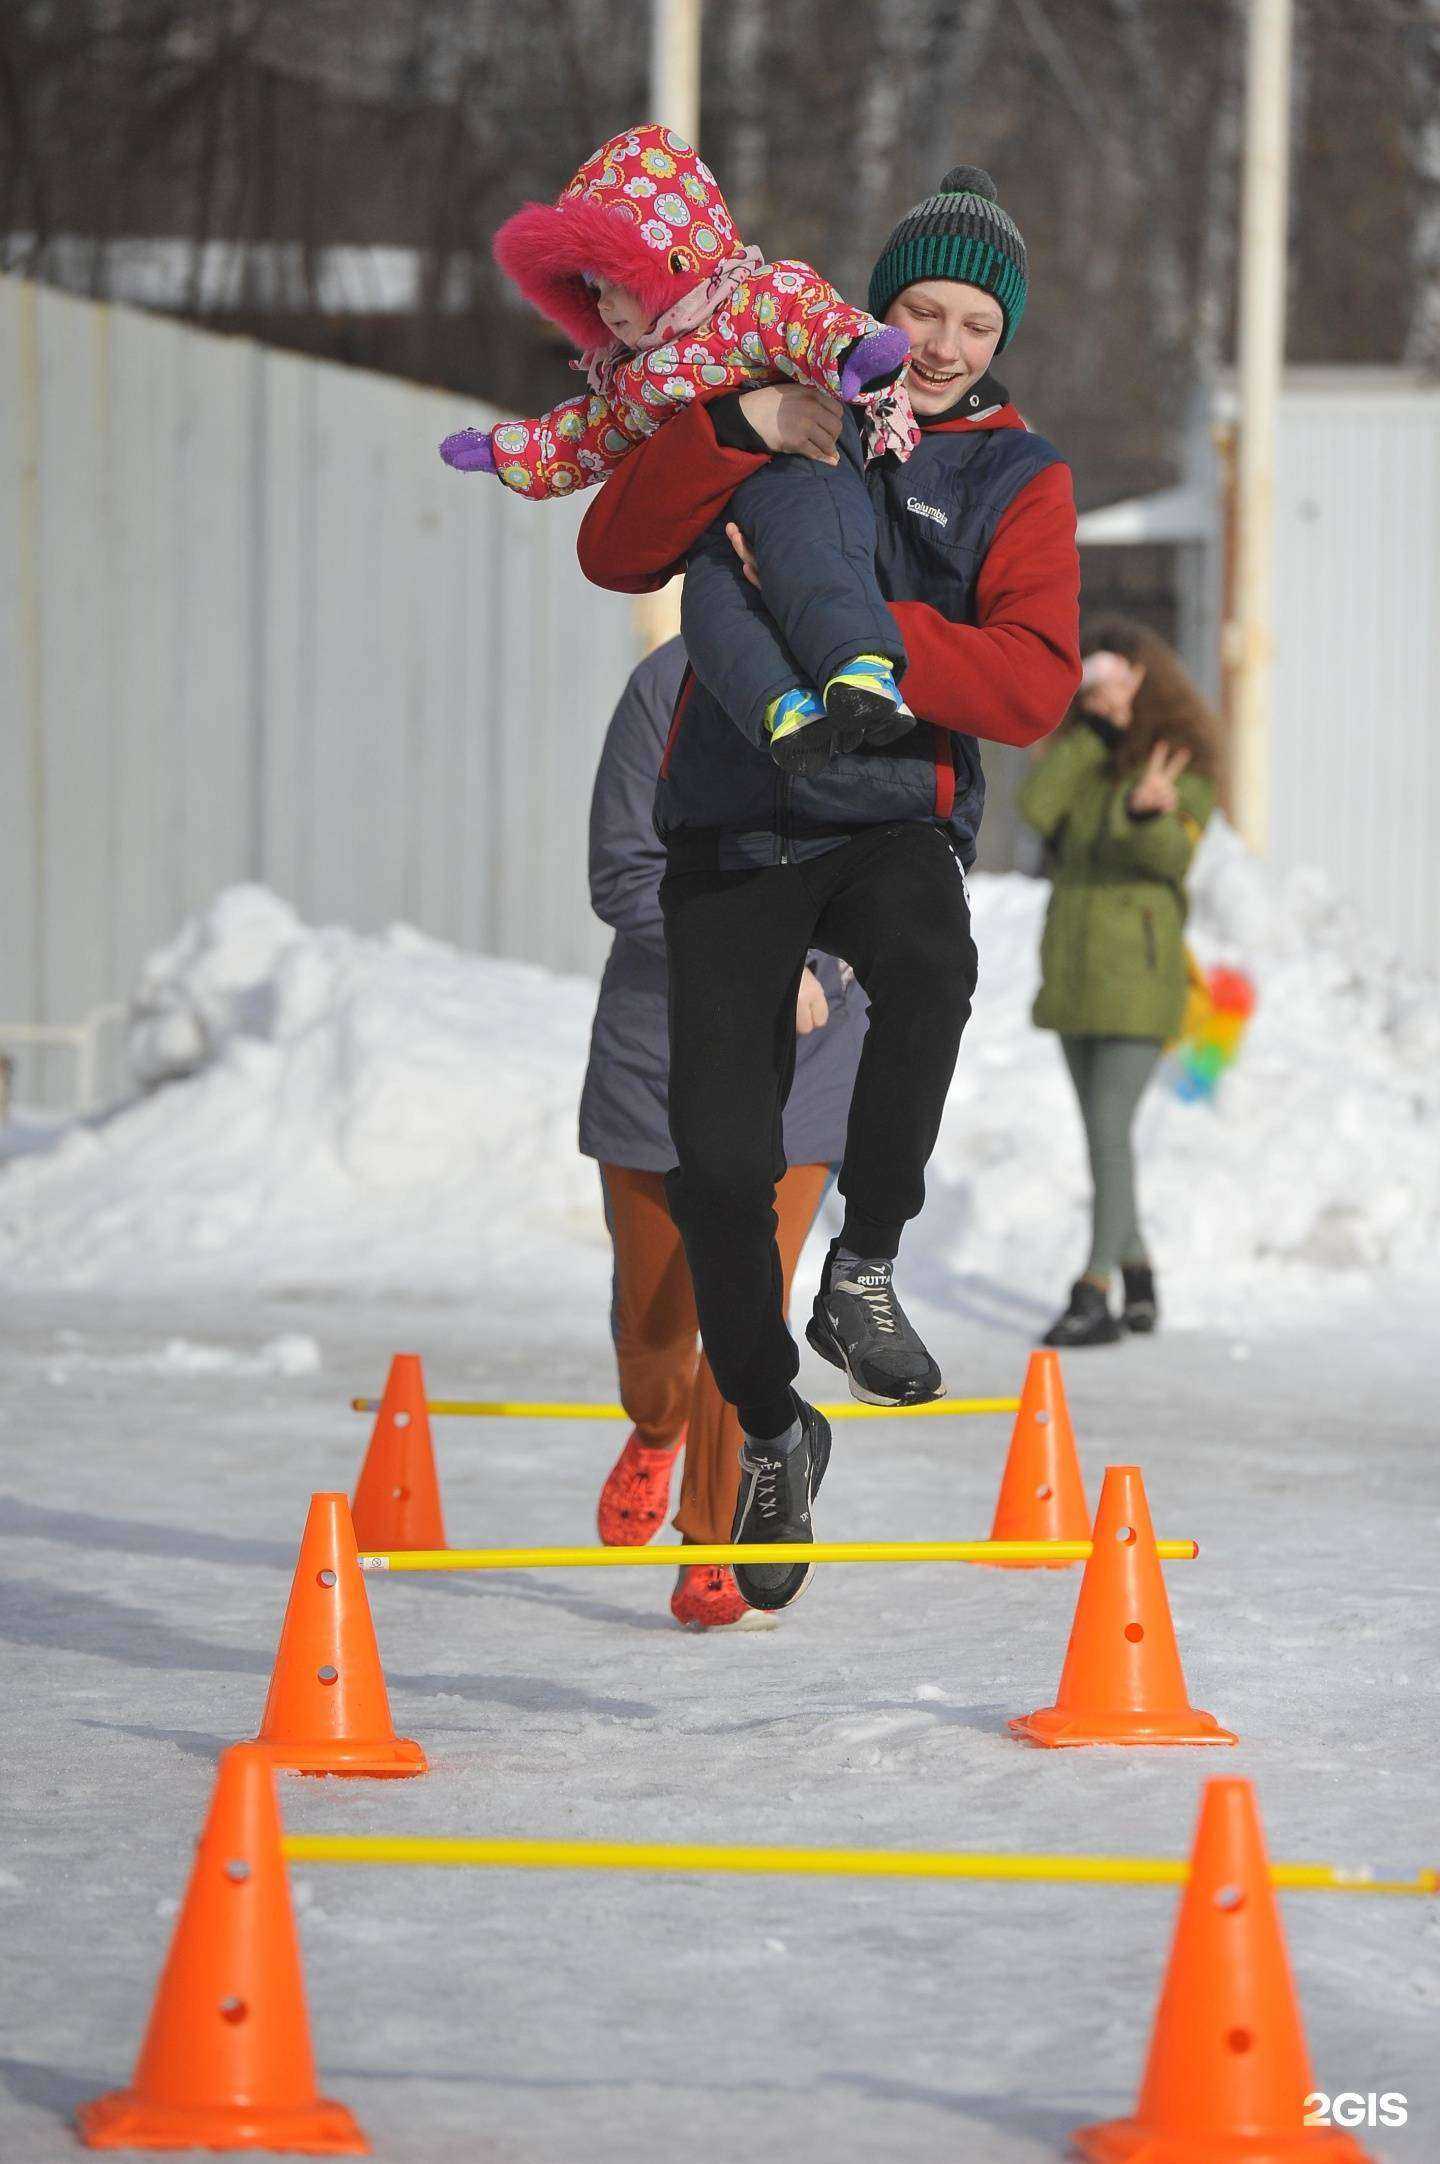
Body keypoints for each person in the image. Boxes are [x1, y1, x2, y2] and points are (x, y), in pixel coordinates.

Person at [576, 168, 1081, 1612]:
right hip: (734, 826)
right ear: (877, 304)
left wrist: (850, 625)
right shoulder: (793, 397)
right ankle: (773, 1425)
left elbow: (1031, 684)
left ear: (1003, 336)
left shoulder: (1015, 476)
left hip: (888, 814)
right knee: (717, 1170)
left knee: (932, 958)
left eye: (976, 323)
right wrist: (739, 426)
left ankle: (865, 1264)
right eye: (922, 310)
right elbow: (614, 550)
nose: (944, 344)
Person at [438, 121, 923, 769]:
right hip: (715, 521)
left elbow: (810, 320)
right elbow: (581, 435)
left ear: (674, 258)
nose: (605, 305)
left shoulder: (753, 298)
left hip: (801, 471)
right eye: (594, 288)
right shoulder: (631, 377)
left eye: (619, 281)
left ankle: (860, 668)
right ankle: (785, 709)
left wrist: (855, 353)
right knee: (709, 608)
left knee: (811, 550)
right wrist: (506, 451)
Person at [580, 636, 866, 1630]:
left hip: (808, 1054)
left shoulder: (874, 678)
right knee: (659, 1325)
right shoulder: (667, 685)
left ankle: (715, 1534)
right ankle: (655, 1427)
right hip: (665, 1045)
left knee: (747, 1295)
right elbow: (623, 871)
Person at [1017, 617, 1220, 1346]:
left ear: (1147, 678)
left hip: (1139, 974)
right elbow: (1036, 809)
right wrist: (1092, 737)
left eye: (1119, 672)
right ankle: (1139, 1276)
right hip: (1074, 970)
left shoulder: (1182, 761)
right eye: (1095, 671)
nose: (1105, 685)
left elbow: (1173, 859)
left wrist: (1143, 813)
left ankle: (1094, 1288)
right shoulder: (1087, 754)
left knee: (1108, 1131)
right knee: (1104, 1139)